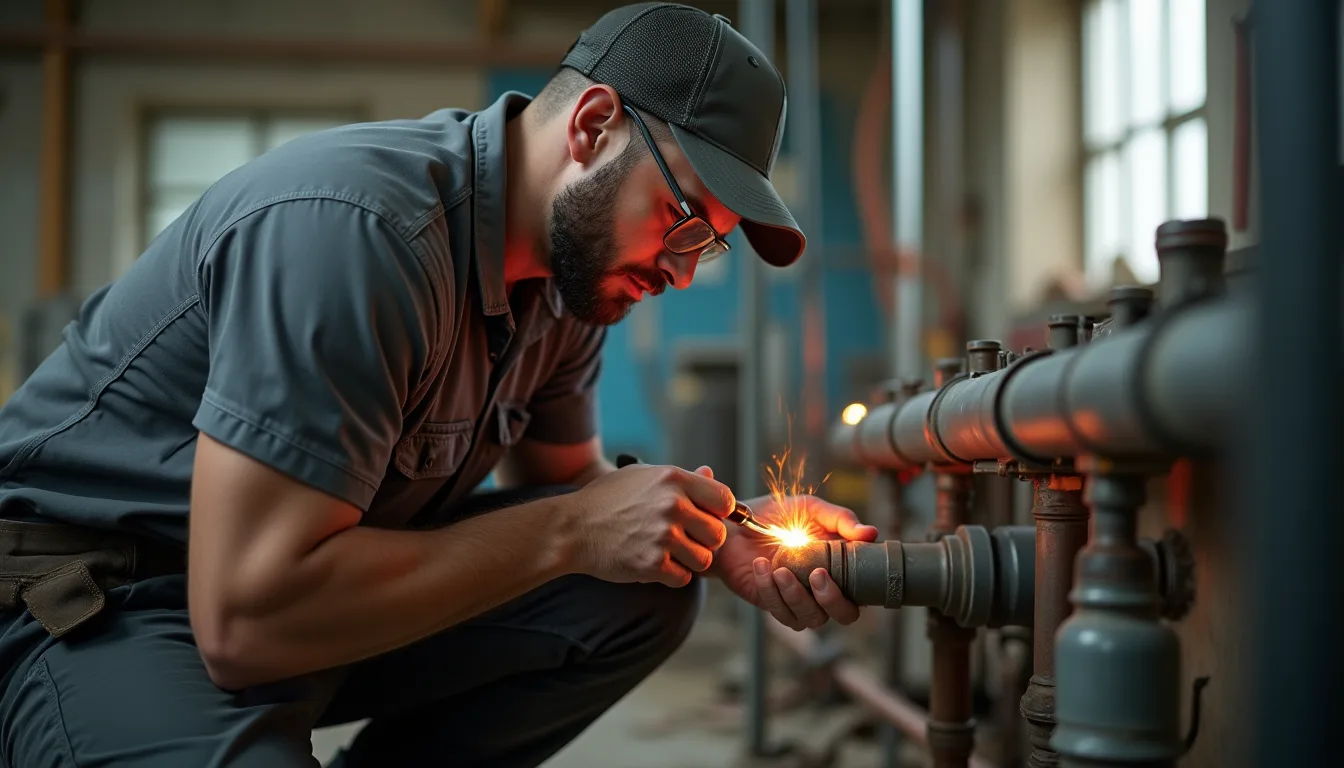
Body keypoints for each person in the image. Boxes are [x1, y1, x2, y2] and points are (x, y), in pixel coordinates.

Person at [0, 3, 879, 766]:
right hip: (101, 600)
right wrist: (573, 528)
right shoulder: (358, 233)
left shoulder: (569, 281)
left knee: (639, 592)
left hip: (299, 592)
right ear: (592, 126)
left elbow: (565, 488)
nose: (682, 275)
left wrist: (724, 537)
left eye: (707, 246)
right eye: (683, 221)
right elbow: (246, 625)